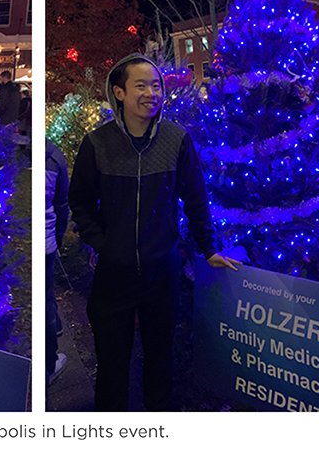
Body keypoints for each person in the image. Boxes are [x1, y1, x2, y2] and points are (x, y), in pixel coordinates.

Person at [68, 53, 241, 411]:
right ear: (119, 92)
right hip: (112, 276)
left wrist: (208, 248)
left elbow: (196, 199)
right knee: (112, 364)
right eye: (141, 85)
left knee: (160, 361)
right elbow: (80, 203)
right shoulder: (97, 143)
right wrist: (104, 243)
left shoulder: (176, 140)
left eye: (157, 85)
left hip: (162, 273)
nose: (152, 92)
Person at [45, 139, 70, 386]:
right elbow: (62, 205)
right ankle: (48, 364)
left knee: (46, 300)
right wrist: (59, 236)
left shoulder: (52, 157)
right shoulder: (53, 156)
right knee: (47, 301)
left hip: (46, 240)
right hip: (48, 241)